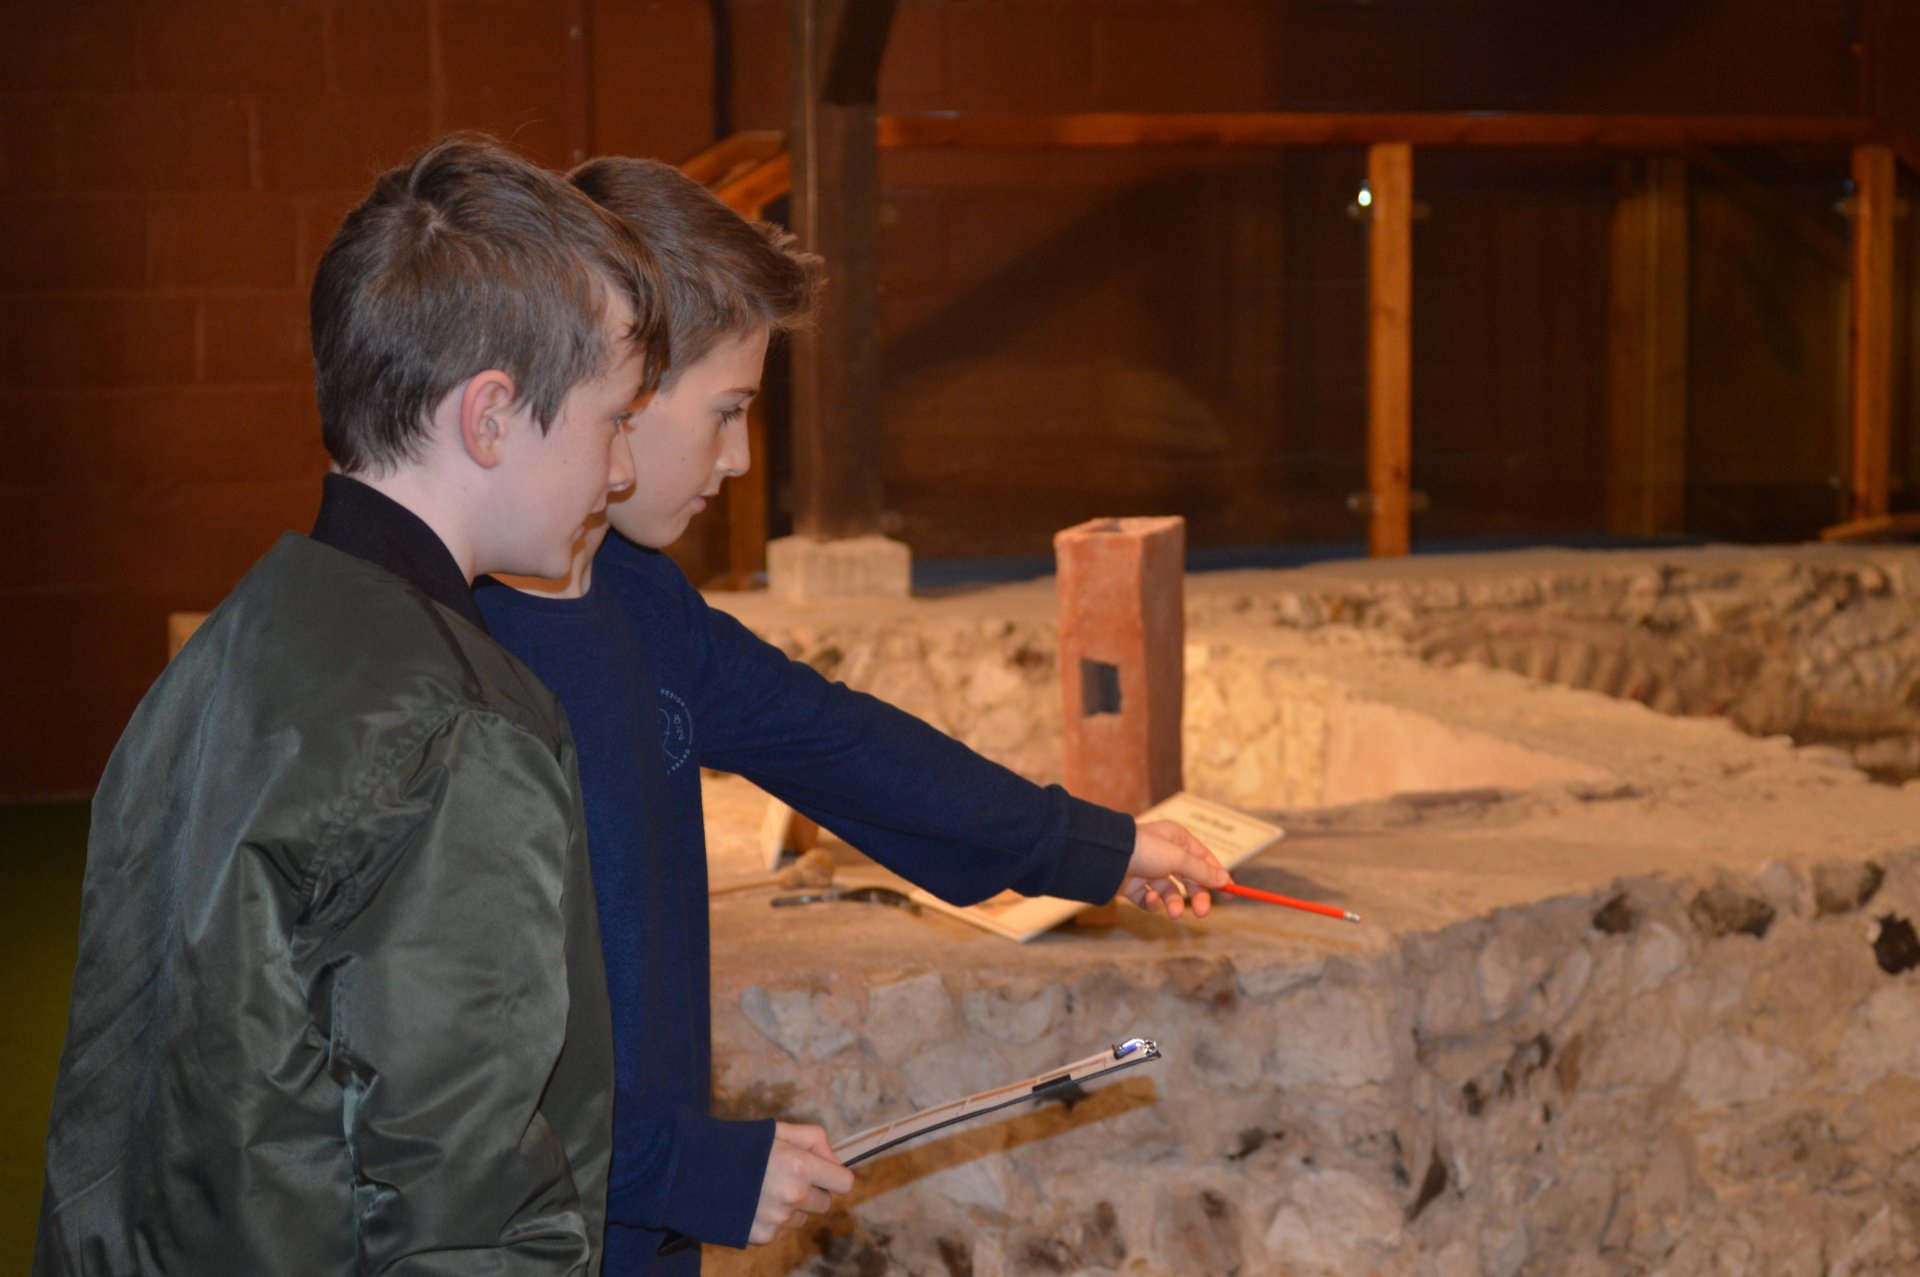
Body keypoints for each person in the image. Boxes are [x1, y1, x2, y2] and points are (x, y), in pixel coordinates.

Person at [476, 157, 1231, 1276]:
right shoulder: (463, 653)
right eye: (726, 412)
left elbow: (839, 742)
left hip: (638, 1226)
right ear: (618, 385)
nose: (737, 460)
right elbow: (451, 1086)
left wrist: (1097, 844)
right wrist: (694, 1169)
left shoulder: (641, 602)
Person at [34, 136, 663, 1275]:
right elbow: (465, 1206)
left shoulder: (232, 646)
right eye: (613, 419)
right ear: (489, 417)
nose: (620, 471)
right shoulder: (466, 728)